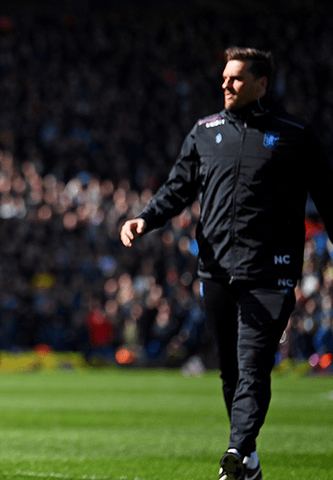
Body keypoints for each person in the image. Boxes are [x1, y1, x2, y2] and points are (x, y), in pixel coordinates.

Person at [119, 46, 333, 480]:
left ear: (261, 84)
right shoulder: (205, 131)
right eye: (224, 77)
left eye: (235, 78)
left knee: (254, 364)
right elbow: (177, 188)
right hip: (216, 270)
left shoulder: (295, 135)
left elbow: (329, 196)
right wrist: (146, 218)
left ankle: (236, 449)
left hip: (271, 272)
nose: (226, 84)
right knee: (231, 371)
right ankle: (248, 461)